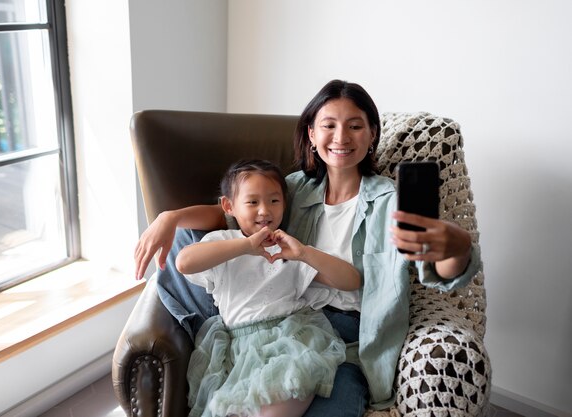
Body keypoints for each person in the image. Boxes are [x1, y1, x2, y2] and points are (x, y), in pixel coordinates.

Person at [133, 79, 481, 416]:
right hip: (284, 318)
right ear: (312, 135)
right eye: (328, 125)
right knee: (187, 239)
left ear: (373, 133)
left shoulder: (391, 199)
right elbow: (232, 216)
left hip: (350, 336)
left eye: (355, 126)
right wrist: (170, 217)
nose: (341, 137)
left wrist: (456, 247)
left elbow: (438, 274)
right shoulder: (293, 189)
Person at [178, 159, 360, 417]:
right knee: (226, 409)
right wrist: (245, 246)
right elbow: (184, 262)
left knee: (278, 406)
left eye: (274, 201)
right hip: (239, 348)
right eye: (252, 202)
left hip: (292, 339)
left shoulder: (289, 249)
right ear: (229, 206)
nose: (265, 211)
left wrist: (305, 253)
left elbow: (351, 281)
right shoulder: (223, 244)